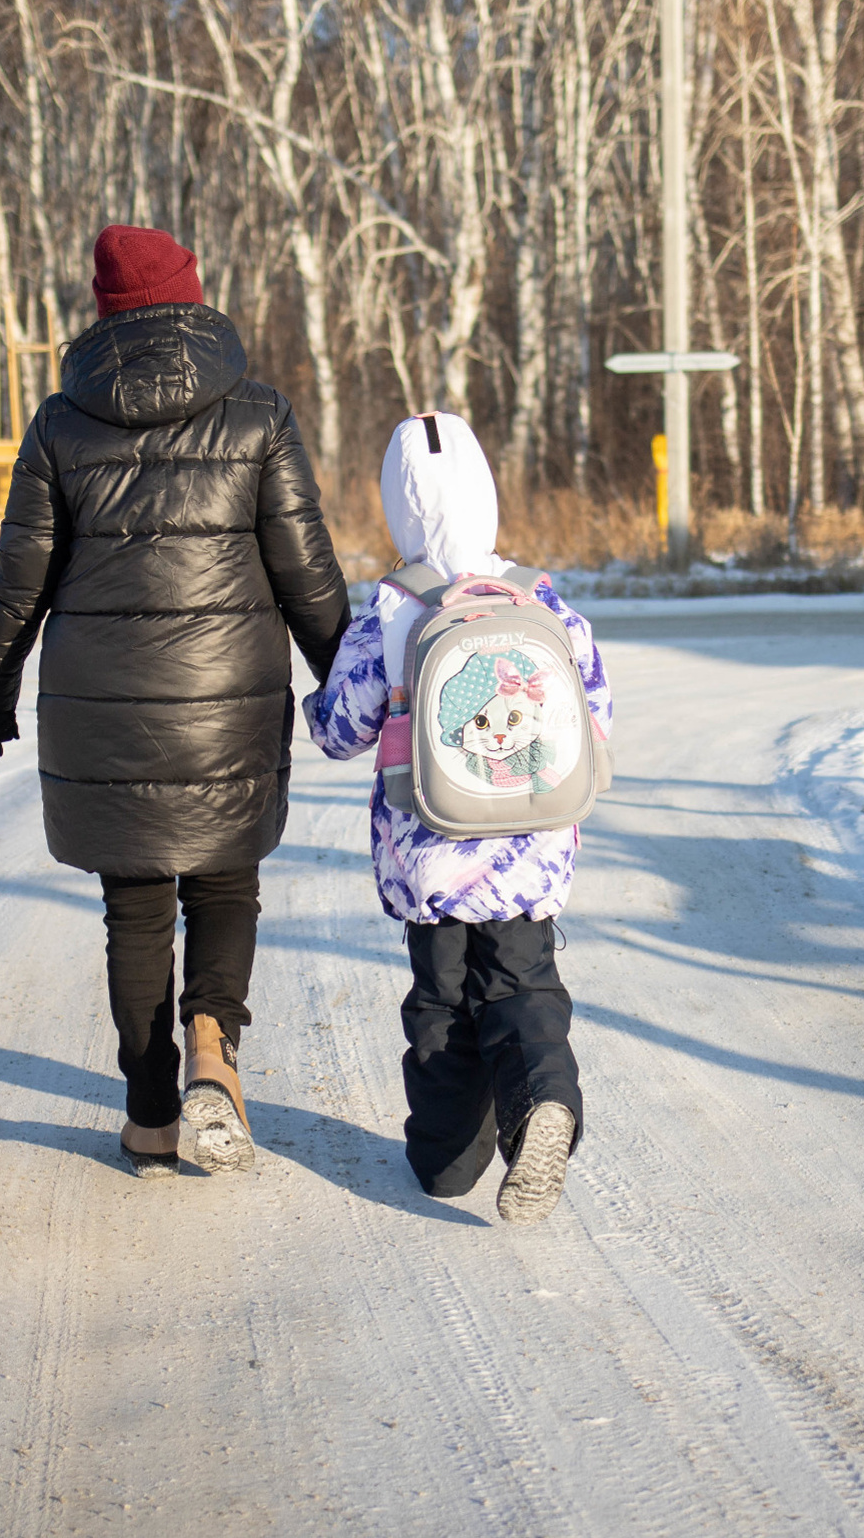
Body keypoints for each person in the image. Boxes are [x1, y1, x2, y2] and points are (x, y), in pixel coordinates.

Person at [0, 225, 348, 1176]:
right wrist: (352, 677)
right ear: (192, 296)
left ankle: (147, 1117)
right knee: (226, 880)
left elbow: (21, 578)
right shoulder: (259, 414)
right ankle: (214, 1048)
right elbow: (307, 571)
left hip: (109, 714)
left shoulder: (59, 423)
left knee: (134, 912)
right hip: (228, 700)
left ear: (105, 312)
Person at [305, 412, 610, 1226]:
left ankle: (447, 1162)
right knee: (523, 985)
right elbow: (597, 715)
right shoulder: (542, 598)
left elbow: (341, 731)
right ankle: (543, 1098)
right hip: (532, 844)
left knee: (441, 1003)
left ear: (396, 511)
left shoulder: (392, 609)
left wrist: (315, 696)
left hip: (429, 853)